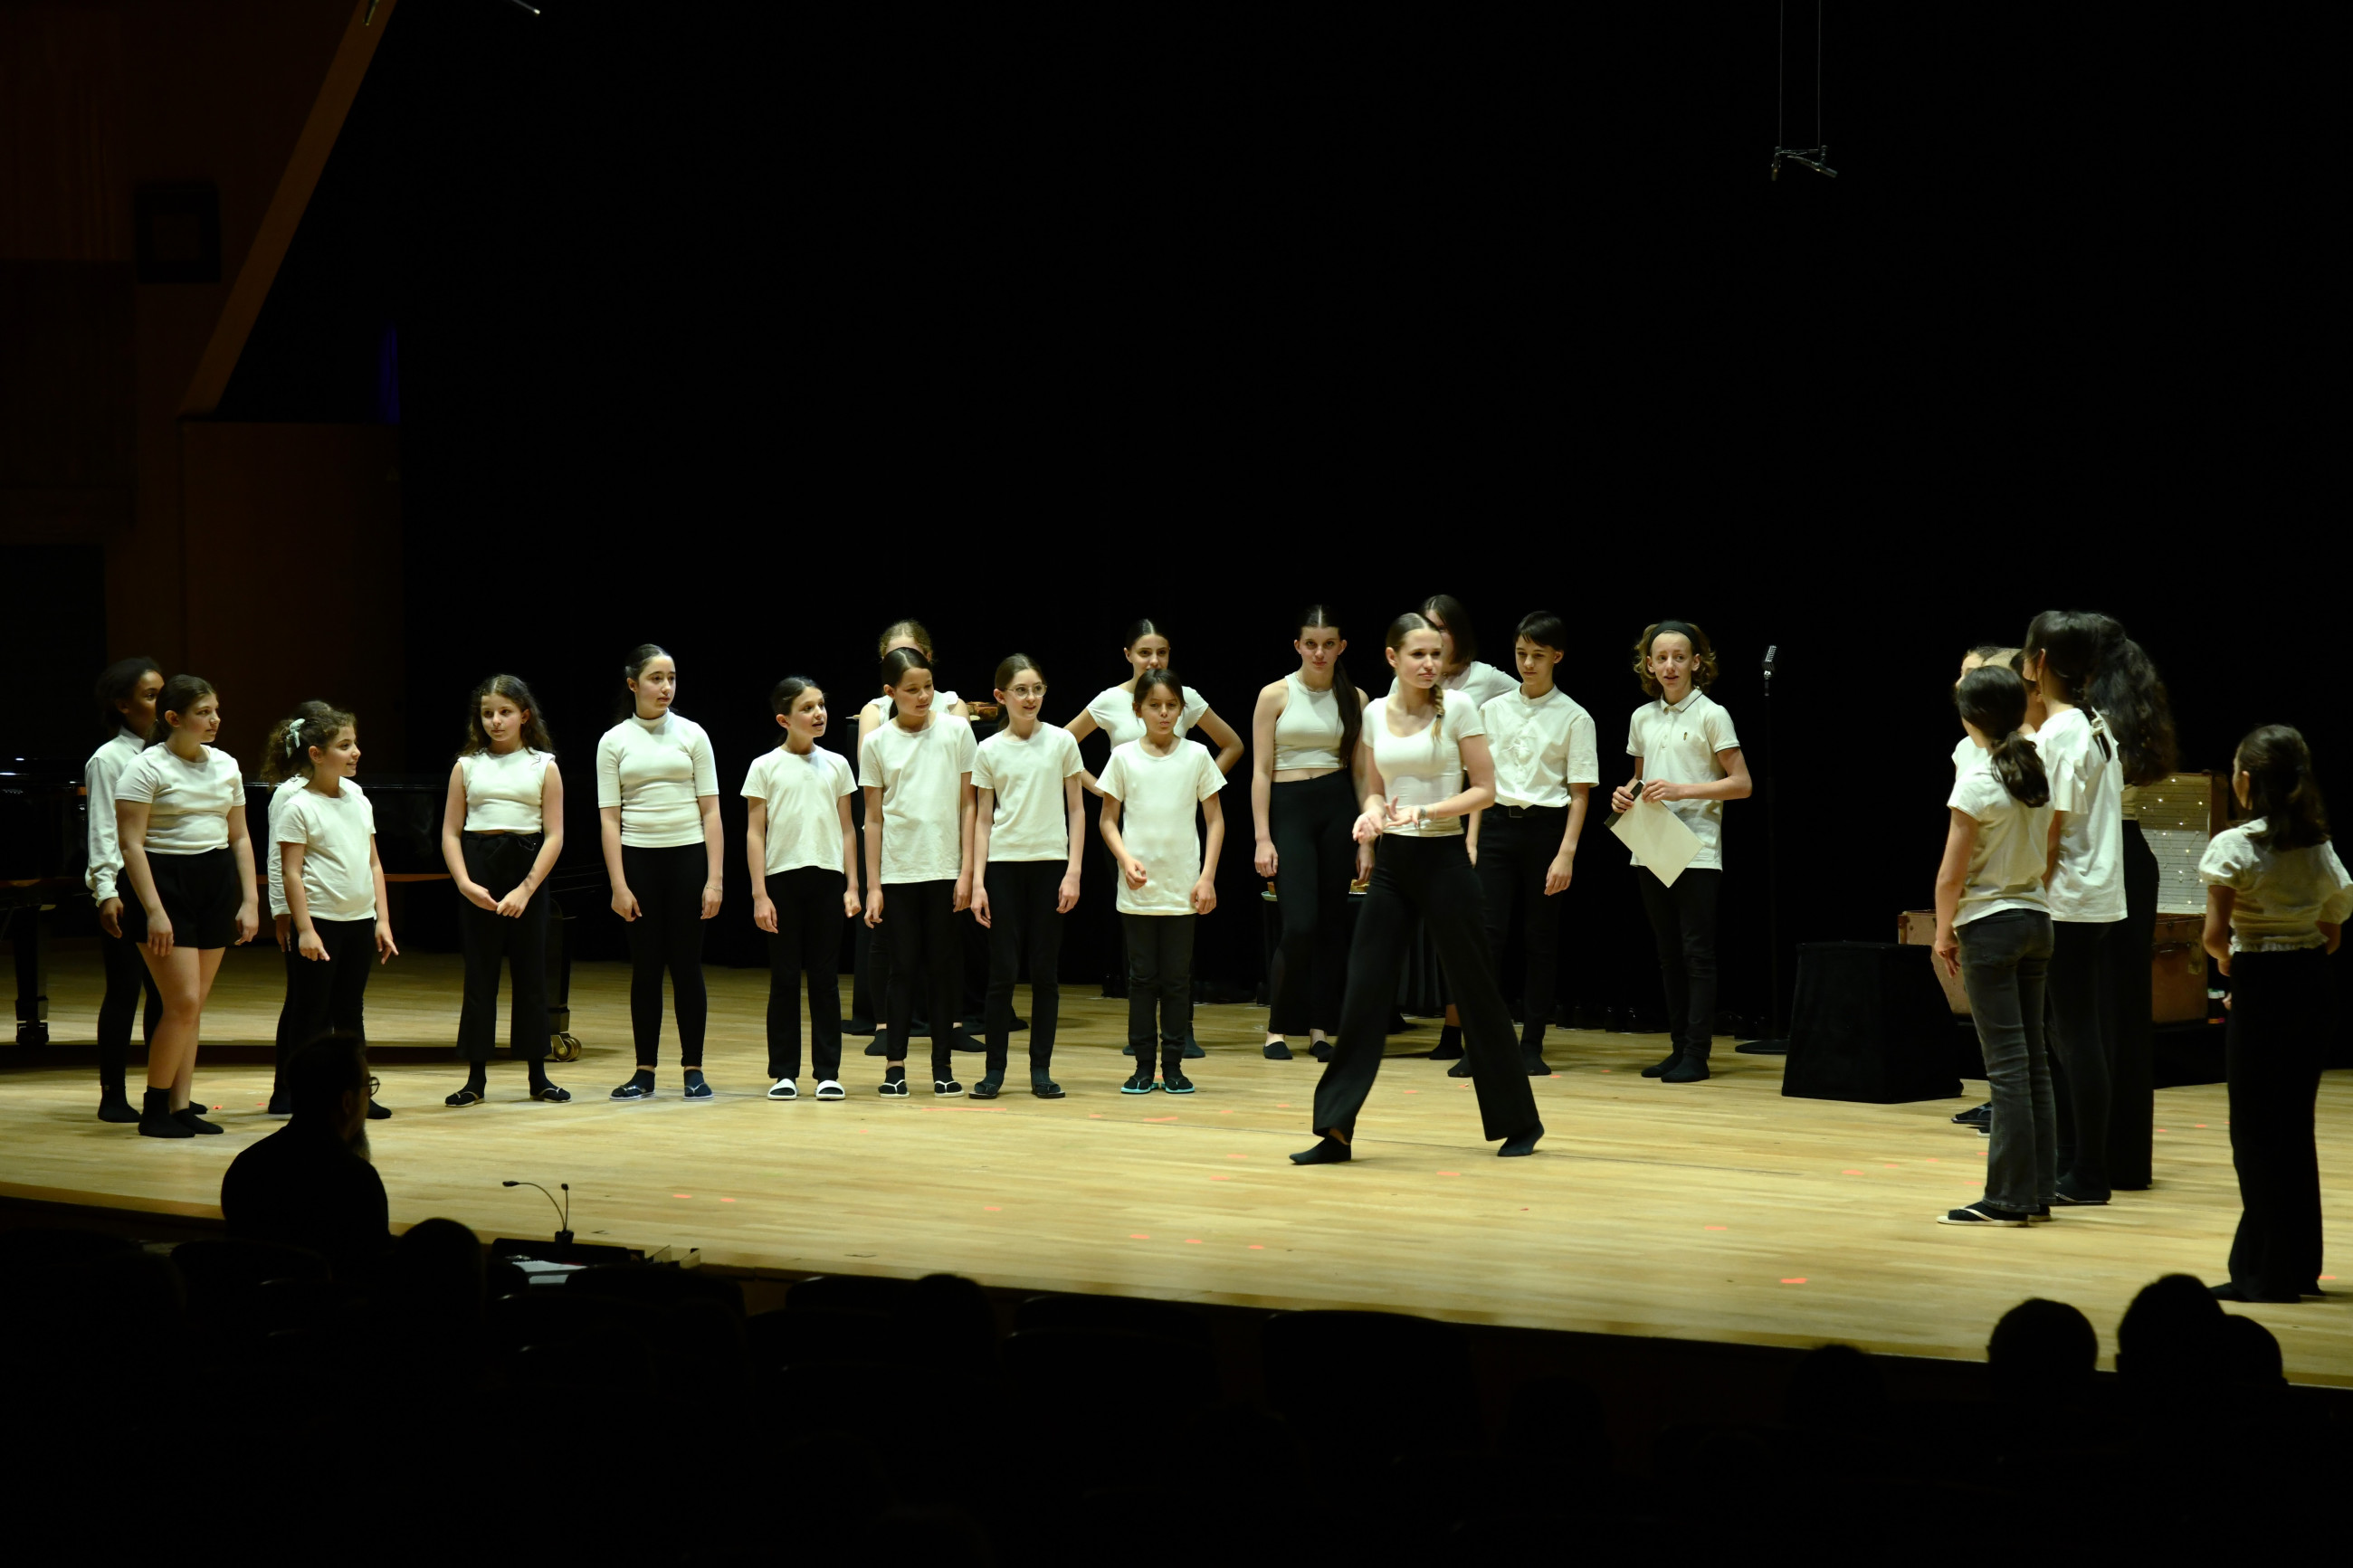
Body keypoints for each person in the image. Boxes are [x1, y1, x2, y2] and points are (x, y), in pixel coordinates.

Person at [1292, 613, 1543, 1164]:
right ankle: (1334, 1131)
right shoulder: (1374, 714)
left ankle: (1519, 1122)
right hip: (1394, 864)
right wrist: (1370, 815)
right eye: (1419, 654)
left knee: (1476, 991)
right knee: (1364, 992)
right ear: (1393, 658)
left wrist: (1428, 811)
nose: (1430, 664)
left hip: (1445, 860)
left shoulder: (1460, 708)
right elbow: (1374, 788)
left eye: (1436, 654)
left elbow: (1485, 790)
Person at [2197, 725, 2349, 1302]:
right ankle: (2298, 1265)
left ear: (2245, 780)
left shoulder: (2235, 846)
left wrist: (2237, 968)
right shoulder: (2318, 845)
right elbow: (2332, 935)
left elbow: (2214, 938)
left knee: (2256, 1134)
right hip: (2312, 984)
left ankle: (2266, 1273)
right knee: (2293, 1127)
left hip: (2260, 982)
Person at [1067, 618, 1241, 1059]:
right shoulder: (1111, 701)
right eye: (1145, 652)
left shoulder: (1185, 701)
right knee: (1140, 943)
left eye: (1161, 652)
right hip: (1129, 835)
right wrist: (1100, 788)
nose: (1154, 660)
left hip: (1177, 833)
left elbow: (1233, 745)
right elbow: (1064, 745)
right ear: (1128, 655)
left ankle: (1183, 1032)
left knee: (1180, 938)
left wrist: (1197, 783)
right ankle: (1142, 1034)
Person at [1930, 665, 2056, 1226]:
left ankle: (2008, 1199)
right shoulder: (2033, 769)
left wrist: (1943, 931)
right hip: (2036, 917)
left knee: (2007, 1068)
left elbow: (1951, 874)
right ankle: (2039, 1189)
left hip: (1991, 924)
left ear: (1970, 717)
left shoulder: (1978, 779)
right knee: (2033, 1064)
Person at [112, 675, 259, 1138]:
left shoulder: (226, 765)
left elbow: (240, 836)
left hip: (214, 882)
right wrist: (155, 911)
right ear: (173, 718)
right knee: (182, 1002)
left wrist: (250, 899)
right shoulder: (145, 767)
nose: (215, 720)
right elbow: (131, 845)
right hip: (164, 883)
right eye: (203, 712)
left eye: (216, 710)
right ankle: (154, 1107)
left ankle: (180, 1105)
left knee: (193, 1007)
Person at [1608, 620, 1751, 1084]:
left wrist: (1681, 790)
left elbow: (1741, 783)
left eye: (1679, 657)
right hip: (1652, 843)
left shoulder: (1712, 714)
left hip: (1698, 848)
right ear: (1649, 664)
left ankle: (1697, 1053)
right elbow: (1640, 776)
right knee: (1668, 954)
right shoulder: (1642, 717)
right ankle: (1677, 1048)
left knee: (1696, 953)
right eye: (1662, 657)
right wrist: (1624, 795)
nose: (1670, 665)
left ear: (1696, 663)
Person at [2022, 611, 2126, 1204]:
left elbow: (2051, 828)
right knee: (2066, 1032)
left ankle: (2088, 1170)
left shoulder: (2063, 732)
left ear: (2038, 662)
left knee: (2075, 1033)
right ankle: (2071, 1160)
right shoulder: (2095, 722)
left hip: (2069, 899)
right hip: (2092, 894)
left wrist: (2023, 890)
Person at [1468, 611, 1597, 1076]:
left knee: (1539, 940)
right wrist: (1472, 840)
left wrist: (1566, 853)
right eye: (1521, 653)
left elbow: (1579, 793)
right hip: (1496, 826)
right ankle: (1482, 1044)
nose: (1527, 664)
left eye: (1537, 656)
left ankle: (1532, 1044)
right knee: (1487, 939)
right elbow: (1480, 783)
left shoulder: (1575, 717)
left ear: (1557, 657)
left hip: (1545, 830)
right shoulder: (1492, 710)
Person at [597, 644, 723, 1100]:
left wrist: (715, 880)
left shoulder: (693, 734)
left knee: (687, 967)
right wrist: (618, 884)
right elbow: (609, 818)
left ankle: (694, 1069)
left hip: (688, 858)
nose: (665, 687)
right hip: (639, 861)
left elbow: (711, 811)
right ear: (633, 684)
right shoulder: (614, 741)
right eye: (656, 678)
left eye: (671, 678)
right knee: (646, 969)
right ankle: (644, 1071)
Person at [438, 674, 568, 1107]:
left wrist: (526, 889)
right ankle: (475, 1078)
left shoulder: (543, 765)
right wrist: (464, 883)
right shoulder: (467, 766)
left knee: (531, 976)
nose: (495, 721)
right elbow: (451, 832)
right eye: (488, 713)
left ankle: (538, 1076)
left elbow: (555, 835)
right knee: (480, 977)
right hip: (479, 868)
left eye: (505, 712)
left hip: (526, 870)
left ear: (524, 716)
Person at [1250, 605, 1369, 1061]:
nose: (1320, 652)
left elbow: (1361, 773)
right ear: (1298, 646)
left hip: (1338, 807)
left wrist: (1367, 840)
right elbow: (1260, 771)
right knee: (1299, 924)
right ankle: (1277, 1029)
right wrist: (1263, 837)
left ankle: (1320, 1030)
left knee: (1331, 925)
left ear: (1341, 647)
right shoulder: (1274, 695)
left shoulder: (1355, 698)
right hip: (1290, 808)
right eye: (1312, 644)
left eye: (1329, 644)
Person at [1099, 670, 1225, 1094]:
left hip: (1183, 886)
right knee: (1141, 979)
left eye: (1171, 705)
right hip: (1139, 889)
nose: (1164, 713)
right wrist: (1125, 859)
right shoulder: (1123, 757)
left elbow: (1215, 820)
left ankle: (1173, 1065)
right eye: (1155, 705)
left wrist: (1207, 877)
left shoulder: (1197, 755)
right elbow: (1108, 820)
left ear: (1182, 710)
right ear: (1138, 710)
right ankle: (1142, 1066)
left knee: (1176, 980)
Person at [861, 646, 977, 1098]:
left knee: (943, 968)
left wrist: (966, 872)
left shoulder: (956, 731)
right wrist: (873, 885)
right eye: (912, 690)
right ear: (891, 693)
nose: (924, 696)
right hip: (899, 872)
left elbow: (968, 805)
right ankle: (895, 1066)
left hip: (944, 868)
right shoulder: (877, 742)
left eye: (928, 686)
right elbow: (873, 818)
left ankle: (942, 1066)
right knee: (902, 968)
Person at [2088, 622, 2179, 1191]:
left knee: (2092, 1013)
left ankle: (2092, 1157)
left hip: (2102, 852)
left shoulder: (2086, 722)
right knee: (2124, 1011)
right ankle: (2124, 1160)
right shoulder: (2137, 712)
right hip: (2132, 855)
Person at [971, 654, 1084, 1099]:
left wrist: (1073, 871)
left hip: (1050, 865)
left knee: (1044, 973)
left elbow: (1077, 810)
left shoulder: (1061, 742)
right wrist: (978, 882)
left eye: (1037, 689)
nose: (1031, 697)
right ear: (1001, 697)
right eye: (1021, 690)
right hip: (1002, 867)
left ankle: (1041, 1070)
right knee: (1002, 973)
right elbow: (983, 819)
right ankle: (994, 1071)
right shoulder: (989, 750)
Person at [276, 708, 399, 1114]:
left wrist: (382, 919)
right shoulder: (298, 805)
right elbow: (291, 873)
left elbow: (374, 863)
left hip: (359, 922)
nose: (355, 752)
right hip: (321, 923)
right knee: (310, 1014)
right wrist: (305, 929)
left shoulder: (358, 798)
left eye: (354, 743)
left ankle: (356, 1095)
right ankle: (305, 1099)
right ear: (316, 754)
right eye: (344, 746)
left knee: (351, 1012)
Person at [744, 674, 859, 1102]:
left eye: (821, 705)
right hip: (782, 881)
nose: (818, 713)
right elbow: (755, 832)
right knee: (785, 978)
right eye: (807, 708)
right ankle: (784, 1073)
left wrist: (853, 885)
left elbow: (847, 829)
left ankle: (828, 1072)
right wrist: (759, 893)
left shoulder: (837, 764)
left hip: (828, 879)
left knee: (825, 979)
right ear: (784, 719)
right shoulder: (765, 766)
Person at [221, 1031, 391, 1283]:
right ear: (347, 1102)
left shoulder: (247, 1166)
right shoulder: (356, 1179)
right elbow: (373, 1272)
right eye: (367, 1087)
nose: (368, 1097)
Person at [1948, 646, 2029, 1133]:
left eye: (1973, 675)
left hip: (1992, 911)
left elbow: (1952, 869)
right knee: (2019, 1048)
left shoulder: (2007, 764)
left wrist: (1945, 927)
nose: (1961, 684)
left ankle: (2013, 1160)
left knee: (2011, 1050)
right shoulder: (1979, 755)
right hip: (2026, 908)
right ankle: (2027, 1138)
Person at [82, 656, 165, 1122]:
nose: (160, 703)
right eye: (150, 695)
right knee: (125, 989)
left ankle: (164, 1089)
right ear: (123, 705)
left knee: (165, 994)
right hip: (125, 886)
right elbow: (102, 831)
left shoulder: (167, 754)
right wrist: (106, 890)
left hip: (163, 883)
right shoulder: (109, 758)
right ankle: (112, 1094)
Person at [258, 700, 338, 1115]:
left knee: (317, 1003)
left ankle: (316, 1087)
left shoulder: (335, 788)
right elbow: (278, 860)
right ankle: (285, 1089)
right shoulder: (290, 793)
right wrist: (282, 913)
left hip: (326, 910)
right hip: (301, 910)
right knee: (302, 1003)